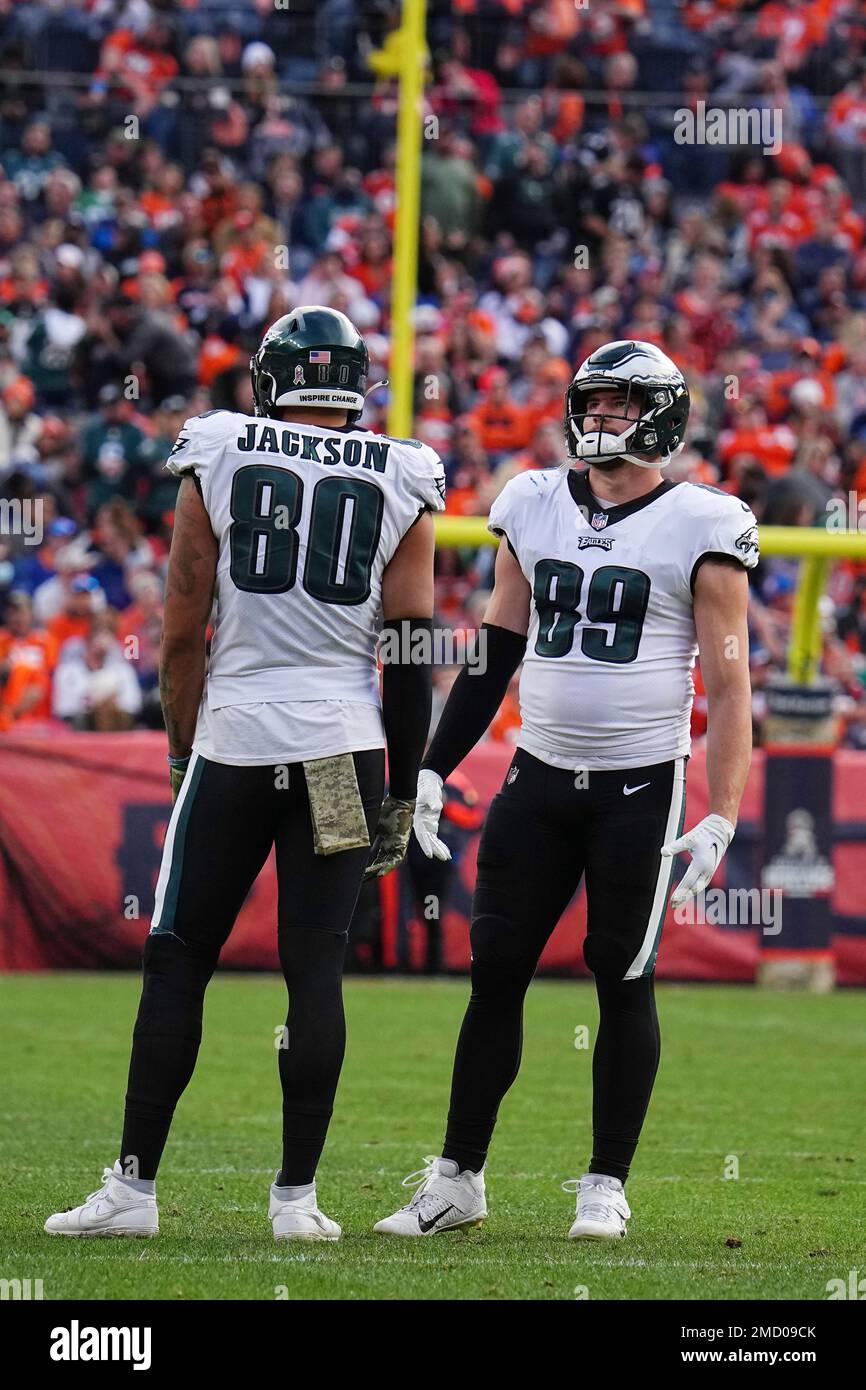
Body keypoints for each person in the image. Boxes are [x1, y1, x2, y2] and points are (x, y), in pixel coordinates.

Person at [44, 306, 445, 1242]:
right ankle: (296, 1203)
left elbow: (182, 626)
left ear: (271, 379)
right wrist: (398, 783)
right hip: (343, 749)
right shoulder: (401, 470)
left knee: (179, 956)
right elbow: (414, 648)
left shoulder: (221, 447)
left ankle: (133, 1192)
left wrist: (183, 746)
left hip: (234, 738)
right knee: (316, 966)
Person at [374, 340, 759, 1241]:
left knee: (621, 974)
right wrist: (431, 766)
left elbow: (733, 684)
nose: (601, 419)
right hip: (536, 772)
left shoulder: (705, 521)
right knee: (494, 968)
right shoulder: (534, 501)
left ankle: (604, 1183)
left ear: (662, 415)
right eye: (594, 401)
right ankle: (458, 1178)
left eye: (621, 404)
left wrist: (724, 814)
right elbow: (495, 649)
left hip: (640, 782)